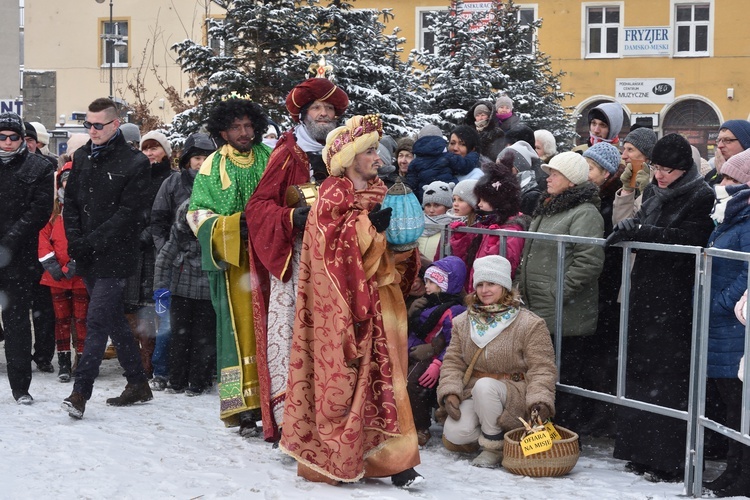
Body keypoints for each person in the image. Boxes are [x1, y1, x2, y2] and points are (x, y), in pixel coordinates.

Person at [279, 115, 423, 488]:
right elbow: (328, 254)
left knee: (390, 382)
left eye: (378, 149)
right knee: (349, 382)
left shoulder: (382, 190)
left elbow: (394, 250)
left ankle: (396, 461)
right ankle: (342, 456)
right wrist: (367, 226)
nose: (380, 158)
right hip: (346, 307)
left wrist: (403, 244)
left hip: (384, 299)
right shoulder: (331, 194)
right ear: (350, 157)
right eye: (371, 150)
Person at [607, 133, 715, 482]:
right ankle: (638, 450)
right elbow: (645, 224)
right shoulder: (653, 189)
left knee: (668, 379)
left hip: (675, 296)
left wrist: (643, 230)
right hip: (646, 288)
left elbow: (690, 239)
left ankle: (668, 459)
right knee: (639, 371)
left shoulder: (701, 194)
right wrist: (632, 226)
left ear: (684, 169)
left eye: (668, 170)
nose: (660, 175)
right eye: (656, 168)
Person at [246, 77, 349, 441]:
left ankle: (329, 415)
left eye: (330, 110)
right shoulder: (287, 153)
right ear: (304, 116)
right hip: (297, 259)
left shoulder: (344, 154)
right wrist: (292, 218)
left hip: (338, 262)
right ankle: (290, 419)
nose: (324, 115)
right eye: (317, 109)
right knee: (292, 337)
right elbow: (257, 207)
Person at [61, 97, 152, 418]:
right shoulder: (83, 156)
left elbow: (129, 215)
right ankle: (138, 382)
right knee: (113, 320)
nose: (92, 130)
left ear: (115, 125)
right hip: (87, 253)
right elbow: (70, 204)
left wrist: (90, 241)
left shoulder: (135, 162)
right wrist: (75, 240)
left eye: (98, 125)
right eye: (88, 124)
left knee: (97, 319)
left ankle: (80, 391)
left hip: (117, 255)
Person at [187, 98, 272, 436]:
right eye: (236, 126)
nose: (244, 132)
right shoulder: (211, 165)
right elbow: (197, 214)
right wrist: (235, 226)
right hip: (234, 265)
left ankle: (275, 404)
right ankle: (246, 411)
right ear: (222, 131)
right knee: (240, 336)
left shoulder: (269, 158)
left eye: (249, 125)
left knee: (275, 331)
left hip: (271, 260)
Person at [437, 255, 556, 468]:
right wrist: (450, 392)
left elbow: (542, 368)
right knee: (457, 434)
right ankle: (503, 435)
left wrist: (540, 400)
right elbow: (453, 362)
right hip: (475, 389)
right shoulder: (463, 322)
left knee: (485, 387)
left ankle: (493, 447)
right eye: (480, 284)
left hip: (514, 392)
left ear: (504, 286)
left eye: (491, 284)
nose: (484, 290)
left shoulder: (529, 324)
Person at [517, 151, 604, 430]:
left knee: (563, 380)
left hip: (565, 316)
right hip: (541, 309)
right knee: (543, 378)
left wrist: (559, 294)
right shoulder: (550, 207)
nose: (548, 178)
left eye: (554, 174)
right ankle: (542, 435)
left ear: (571, 180)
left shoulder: (585, 212)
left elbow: (588, 261)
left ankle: (565, 437)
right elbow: (531, 253)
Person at [148, 132, 216, 391]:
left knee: (204, 331)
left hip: (208, 264)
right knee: (173, 330)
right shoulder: (173, 183)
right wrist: (169, 253)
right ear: (188, 160)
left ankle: (200, 376)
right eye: (197, 157)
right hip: (178, 264)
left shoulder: (219, 184)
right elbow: (158, 222)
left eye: (207, 157)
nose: (201, 162)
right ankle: (167, 374)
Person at [702, 149, 750, 496]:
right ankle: (734, 471)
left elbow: (747, 272)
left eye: (732, 180)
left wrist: (720, 302)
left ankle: (741, 473)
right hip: (720, 324)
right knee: (730, 403)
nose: (723, 185)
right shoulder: (729, 216)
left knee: (740, 406)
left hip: (733, 325)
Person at [0, 113, 54, 404]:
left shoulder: (39, 167)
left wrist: (9, 240)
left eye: (14, 137)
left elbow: (39, 210)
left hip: (19, 257)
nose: (8, 143)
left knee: (17, 323)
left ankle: (20, 386)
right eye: (3, 137)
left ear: (23, 139)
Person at [153, 199, 216, 396]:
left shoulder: (215, 225)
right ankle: (178, 379)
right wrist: (160, 290)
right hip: (182, 292)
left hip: (206, 293)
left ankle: (197, 381)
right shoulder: (179, 231)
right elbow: (164, 258)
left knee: (202, 338)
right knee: (181, 338)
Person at [126, 130, 175, 382]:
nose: (150, 153)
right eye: (146, 148)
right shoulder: (136, 178)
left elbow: (170, 215)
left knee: (160, 307)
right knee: (136, 308)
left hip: (161, 251)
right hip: (137, 252)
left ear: (165, 152)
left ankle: (159, 362)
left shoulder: (172, 179)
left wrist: (150, 234)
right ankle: (141, 361)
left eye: (155, 147)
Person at [407, 256, 467, 447]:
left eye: (432, 282)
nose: (427, 286)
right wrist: (410, 314)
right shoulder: (428, 302)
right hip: (416, 351)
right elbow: (416, 330)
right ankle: (403, 424)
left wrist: (437, 363)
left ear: (446, 285)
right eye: (426, 281)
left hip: (434, 358)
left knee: (414, 383)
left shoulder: (453, 310)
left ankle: (420, 427)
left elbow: (453, 342)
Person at [38, 162, 89, 383]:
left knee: (82, 319)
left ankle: (82, 360)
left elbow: (88, 240)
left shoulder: (86, 210)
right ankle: (64, 363)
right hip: (56, 277)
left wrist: (75, 264)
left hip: (79, 277)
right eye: (66, 179)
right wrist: (53, 266)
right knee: (61, 321)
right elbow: (43, 239)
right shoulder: (53, 212)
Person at [450, 154, 527, 291]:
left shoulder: (511, 229)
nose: (478, 205)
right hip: (477, 290)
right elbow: (466, 258)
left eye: (483, 200)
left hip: (491, 293)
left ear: (497, 201)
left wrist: (493, 243)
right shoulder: (486, 222)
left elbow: (501, 267)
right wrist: (461, 237)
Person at [405, 125, 478, 202]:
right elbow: (465, 166)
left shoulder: (414, 163)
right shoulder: (448, 157)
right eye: (452, 143)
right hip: (448, 195)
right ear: (440, 140)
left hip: (426, 198)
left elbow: (411, 184)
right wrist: (474, 154)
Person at [612, 127, 657, 225]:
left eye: (630, 150)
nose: (623, 156)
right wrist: (626, 190)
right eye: (624, 149)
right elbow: (620, 225)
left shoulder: (661, 181)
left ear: (647, 156)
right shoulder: (625, 178)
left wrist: (646, 192)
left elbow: (647, 223)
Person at [416, 180, 455, 260]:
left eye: (436, 205)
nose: (431, 210)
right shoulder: (416, 225)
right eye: (428, 205)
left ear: (447, 207)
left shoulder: (453, 227)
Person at [704, 120, 750, 185]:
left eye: (727, 140)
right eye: (719, 140)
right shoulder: (711, 175)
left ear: (745, 143)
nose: (720, 146)